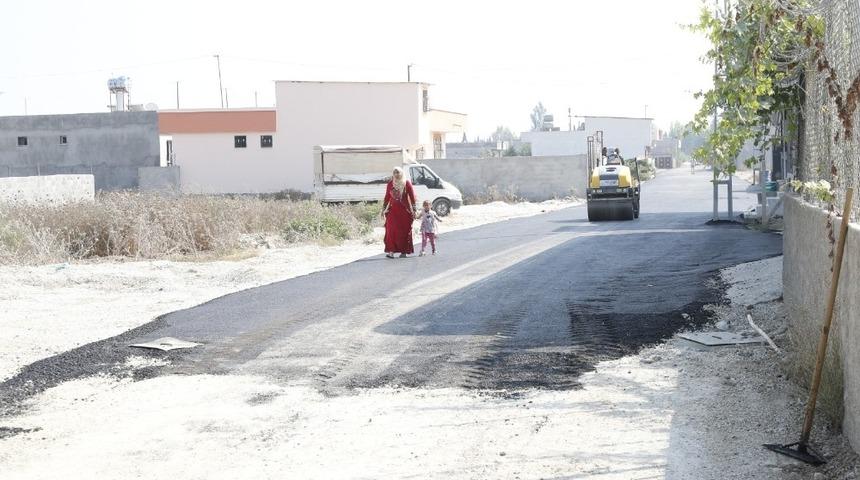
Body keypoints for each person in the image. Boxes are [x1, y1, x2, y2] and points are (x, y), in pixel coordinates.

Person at [381, 166, 416, 258]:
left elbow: (412, 197)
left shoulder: (406, 183)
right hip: (392, 212)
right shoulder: (390, 184)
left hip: (404, 212)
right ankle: (391, 252)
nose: (396, 174)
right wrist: (383, 209)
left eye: (398, 172)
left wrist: (414, 210)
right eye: (395, 173)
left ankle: (403, 252)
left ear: (401, 173)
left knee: (404, 231)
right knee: (391, 231)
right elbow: (387, 197)